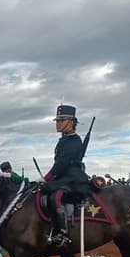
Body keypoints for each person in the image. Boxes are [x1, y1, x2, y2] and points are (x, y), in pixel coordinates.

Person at [39, 104, 90, 247]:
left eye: (61, 120)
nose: (57, 123)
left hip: (73, 178)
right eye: (57, 120)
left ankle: (62, 233)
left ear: (71, 122)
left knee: (57, 197)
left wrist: (47, 177)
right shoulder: (64, 140)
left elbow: (61, 164)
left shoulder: (74, 141)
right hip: (63, 177)